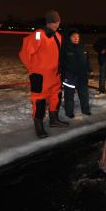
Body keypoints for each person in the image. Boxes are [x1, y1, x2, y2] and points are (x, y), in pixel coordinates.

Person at [19, 10, 69, 139]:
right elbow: (25, 53)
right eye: (56, 21)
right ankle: (38, 125)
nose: (58, 23)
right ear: (50, 22)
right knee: (39, 100)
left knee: (56, 96)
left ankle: (54, 119)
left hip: (55, 75)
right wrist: (33, 69)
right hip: (40, 75)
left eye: (58, 21)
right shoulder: (38, 35)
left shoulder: (58, 36)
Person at [60, 30, 91, 118]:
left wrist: (90, 69)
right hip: (70, 76)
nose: (76, 38)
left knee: (84, 94)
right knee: (69, 95)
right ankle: (69, 112)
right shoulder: (65, 48)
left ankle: (86, 110)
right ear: (69, 38)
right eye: (74, 37)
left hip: (82, 75)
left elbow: (87, 59)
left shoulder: (82, 47)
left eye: (78, 37)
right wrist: (63, 73)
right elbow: (61, 62)